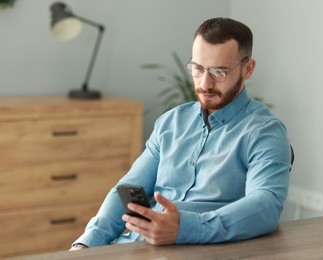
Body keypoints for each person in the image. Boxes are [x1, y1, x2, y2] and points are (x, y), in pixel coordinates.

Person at [70, 17, 292, 250]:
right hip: (133, 248)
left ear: (248, 69)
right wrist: (86, 245)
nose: (205, 83)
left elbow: (266, 205)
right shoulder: (171, 122)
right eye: (197, 69)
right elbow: (128, 189)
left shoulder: (264, 132)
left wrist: (186, 228)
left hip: (196, 251)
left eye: (219, 72)